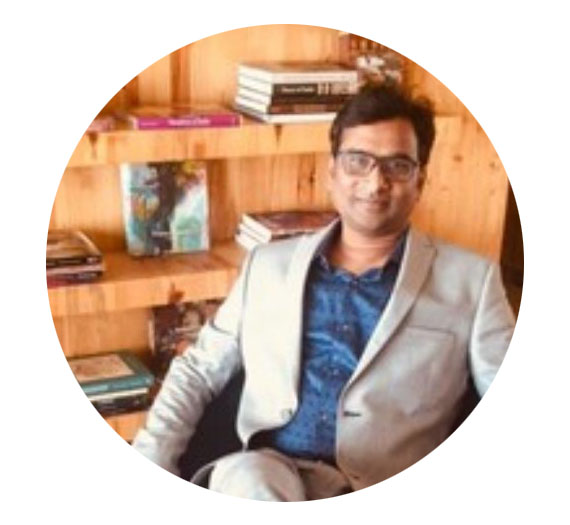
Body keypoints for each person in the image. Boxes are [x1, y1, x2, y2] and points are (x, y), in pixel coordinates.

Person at [132, 84, 515, 501]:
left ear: (419, 180)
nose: (376, 181)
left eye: (398, 165)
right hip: (268, 472)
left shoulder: (472, 281)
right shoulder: (267, 266)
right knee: (250, 479)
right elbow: (197, 373)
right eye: (358, 161)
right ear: (332, 171)